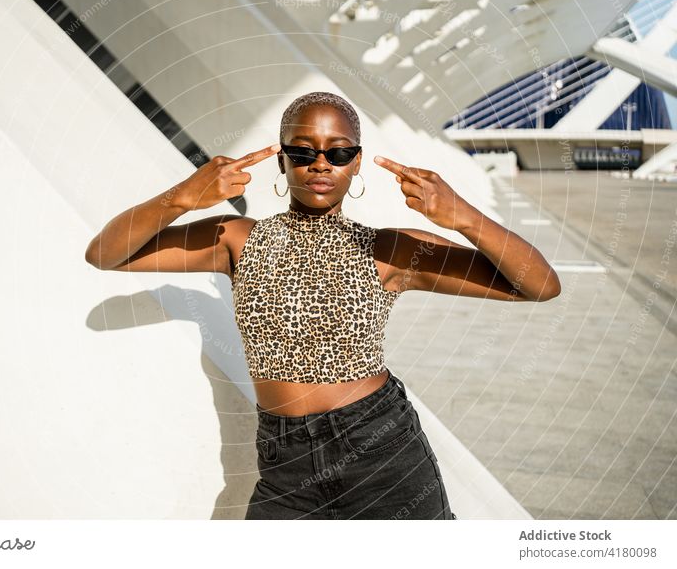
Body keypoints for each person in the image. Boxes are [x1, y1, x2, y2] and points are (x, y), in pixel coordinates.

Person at [84, 91, 561, 520]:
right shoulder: (236, 238)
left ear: (355, 163)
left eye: (337, 153)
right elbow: (106, 254)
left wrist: (463, 216)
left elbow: (539, 285)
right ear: (282, 159)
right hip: (284, 462)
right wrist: (184, 197)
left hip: (381, 452)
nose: (320, 164)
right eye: (303, 151)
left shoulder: (391, 250)